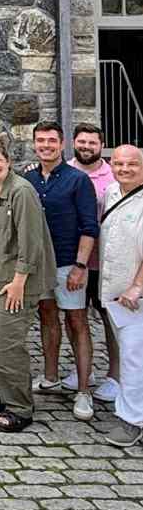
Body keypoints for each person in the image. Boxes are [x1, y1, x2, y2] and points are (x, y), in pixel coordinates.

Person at [0, 134, 56, 433]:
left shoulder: (22, 192)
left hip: (16, 282)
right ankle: (8, 392)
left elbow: (31, 241)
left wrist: (20, 280)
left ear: (8, 161)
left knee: (9, 345)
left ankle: (21, 408)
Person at [25, 120, 99, 421]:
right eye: (41, 141)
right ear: (34, 144)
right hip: (40, 263)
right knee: (47, 316)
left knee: (77, 322)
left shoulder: (78, 180)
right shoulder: (29, 178)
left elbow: (89, 226)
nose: (46, 146)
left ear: (62, 144)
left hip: (69, 262)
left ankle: (83, 390)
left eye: (51, 141)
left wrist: (80, 266)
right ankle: (51, 375)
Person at [65, 122, 119, 402]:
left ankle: (115, 375)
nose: (86, 147)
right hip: (71, 259)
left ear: (101, 146)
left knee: (110, 320)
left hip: (104, 261)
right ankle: (82, 371)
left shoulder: (113, 176)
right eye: (82, 142)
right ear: (74, 143)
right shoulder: (64, 171)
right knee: (75, 317)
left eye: (92, 143)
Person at [98, 144, 143, 448]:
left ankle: (132, 420)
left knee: (133, 359)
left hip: (135, 296)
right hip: (115, 291)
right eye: (118, 163)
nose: (124, 169)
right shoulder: (113, 192)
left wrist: (138, 286)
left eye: (132, 164)